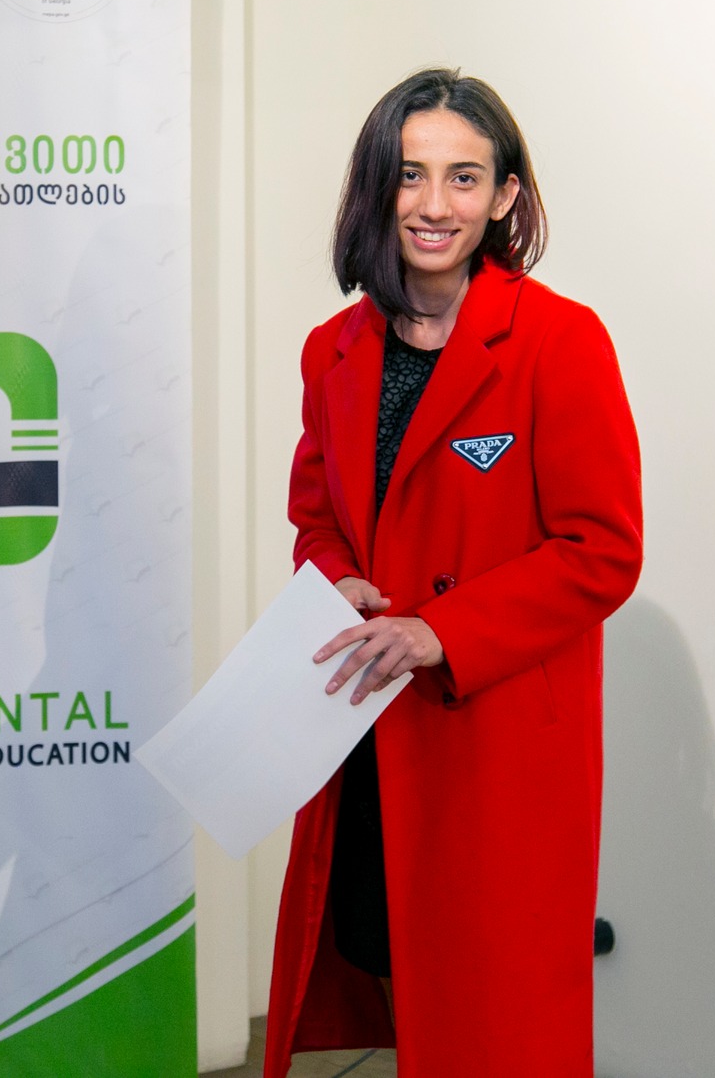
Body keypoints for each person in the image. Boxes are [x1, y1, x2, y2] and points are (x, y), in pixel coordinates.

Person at [263, 68, 644, 1076]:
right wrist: (334, 577)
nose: (434, 204)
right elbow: (316, 519)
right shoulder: (331, 350)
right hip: (367, 737)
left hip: (493, 745)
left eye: (464, 177)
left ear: (505, 195)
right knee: (391, 970)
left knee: (498, 1016)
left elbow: (602, 548)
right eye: (410, 174)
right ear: (375, 186)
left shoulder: (559, 341)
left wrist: (442, 631)